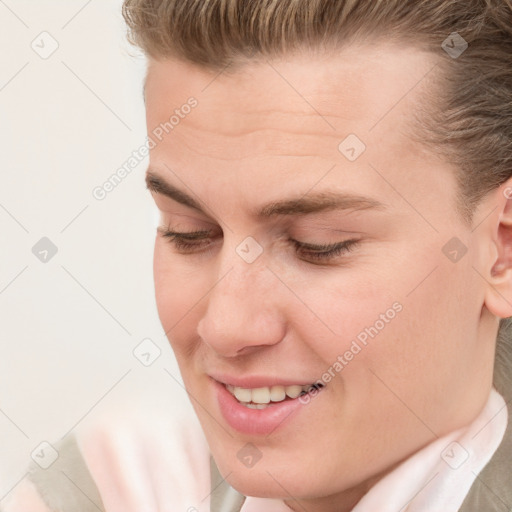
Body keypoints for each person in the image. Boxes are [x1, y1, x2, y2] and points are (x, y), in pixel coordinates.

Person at [3, 0, 512, 510]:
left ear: (502, 248)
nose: (226, 327)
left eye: (318, 245)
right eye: (189, 232)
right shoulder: (116, 486)